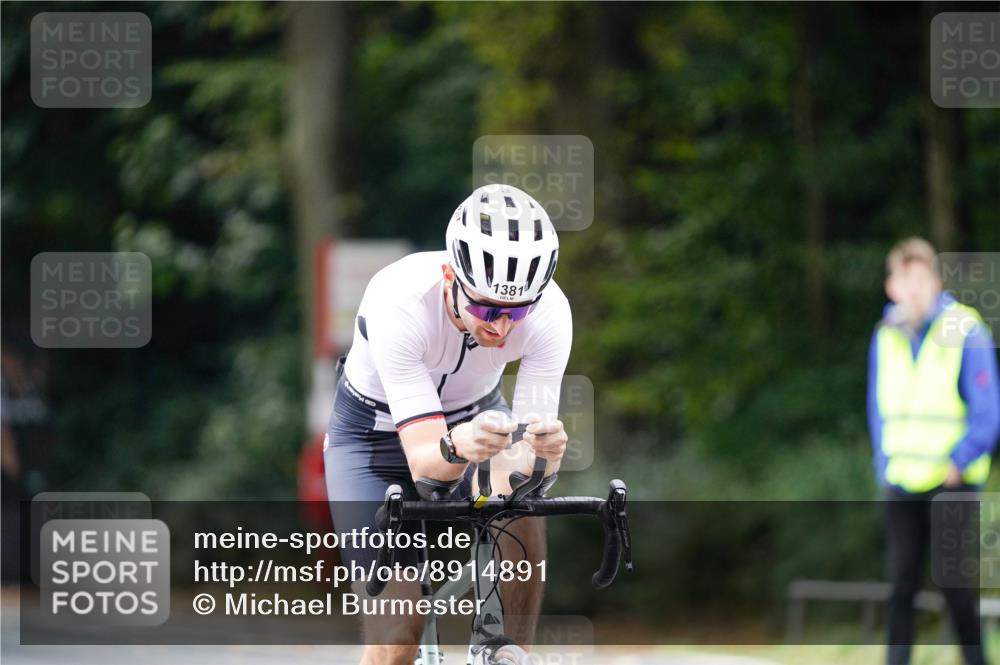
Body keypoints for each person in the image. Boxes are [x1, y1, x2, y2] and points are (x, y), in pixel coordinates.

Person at [324, 184, 571, 665]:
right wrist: (459, 446)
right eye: (486, 308)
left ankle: (507, 651)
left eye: (516, 311)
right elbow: (426, 471)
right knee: (397, 638)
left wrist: (543, 459)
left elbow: (517, 473)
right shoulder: (398, 299)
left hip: (477, 418)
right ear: (448, 277)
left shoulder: (550, 313)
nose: (501, 327)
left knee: (521, 505)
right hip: (372, 439)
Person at [868, 237, 1000, 665]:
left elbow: (987, 413)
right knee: (900, 583)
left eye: (922, 278)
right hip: (901, 480)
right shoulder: (885, 335)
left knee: (954, 585)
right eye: (905, 279)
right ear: (891, 286)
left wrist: (958, 462)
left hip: (951, 481)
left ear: (937, 281)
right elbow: (877, 408)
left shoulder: (965, 329)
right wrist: (884, 463)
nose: (914, 289)